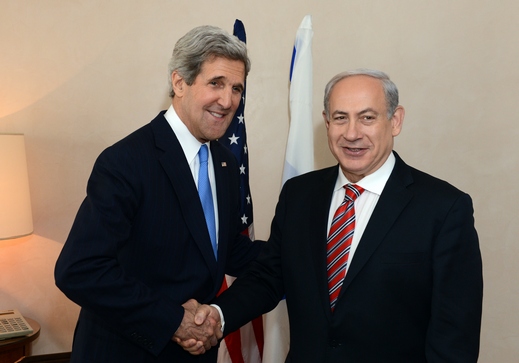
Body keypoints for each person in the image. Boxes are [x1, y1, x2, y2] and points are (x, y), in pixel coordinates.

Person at [188, 69, 483, 362]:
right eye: (340, 117)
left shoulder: (443, 209)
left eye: (367, 117)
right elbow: (268, 276)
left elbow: (454, 337)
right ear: (327, 123)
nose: (352, 133)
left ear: (395, 121)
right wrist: (216, 315)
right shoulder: (299, 195)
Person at [54, 25, 263, 362]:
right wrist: (174, 321)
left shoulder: (223, 162)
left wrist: (295, 255)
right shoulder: (126, 161)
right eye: (216, 83)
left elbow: (218, 246)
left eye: (236, 88)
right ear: (180, 82)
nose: (228, 101)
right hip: (125, 352)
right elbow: (80, 269)